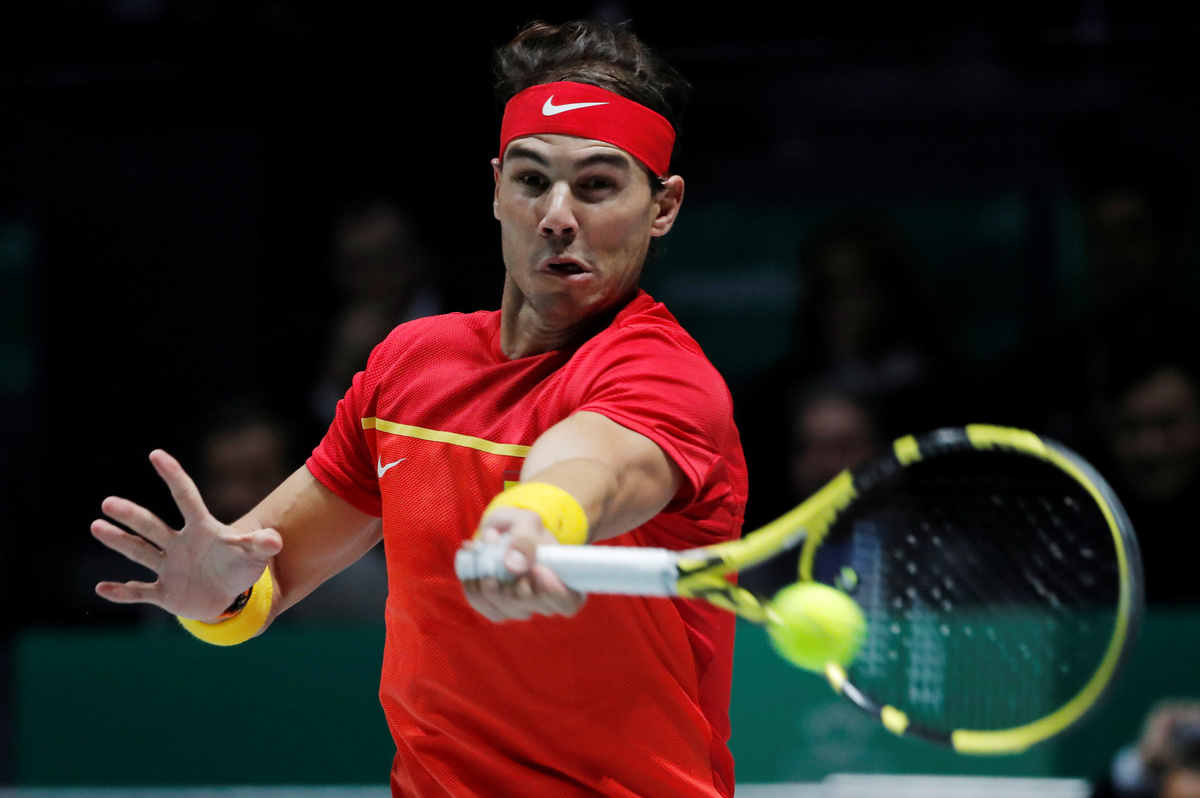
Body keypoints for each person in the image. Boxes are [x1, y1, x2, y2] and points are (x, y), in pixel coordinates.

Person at [89, 19, 746, 798]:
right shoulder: (412, 364)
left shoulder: (666, 376)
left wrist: (536, 518)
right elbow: (270, 570)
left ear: (663, 206)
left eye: (597, 186)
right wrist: (219, 598)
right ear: (496, 187)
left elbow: (592, 462)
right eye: (531, 180)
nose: (557, 214)